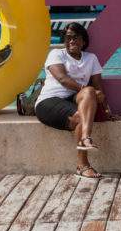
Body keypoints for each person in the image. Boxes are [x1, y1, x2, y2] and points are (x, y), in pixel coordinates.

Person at [35, 22, 112, 178]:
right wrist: (88, 91)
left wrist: (106, 109)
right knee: (81, 111)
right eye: (68, 38)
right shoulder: (56, 54)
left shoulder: (91, 58)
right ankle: (83, 165)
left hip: (73, 100)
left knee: (90, 91)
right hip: (49, 101)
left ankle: (85, 138)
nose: (71, 41)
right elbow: (63, 79)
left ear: (83, 41)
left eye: (75, 37)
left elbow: (98, 88)